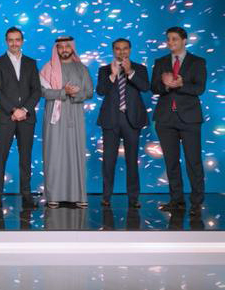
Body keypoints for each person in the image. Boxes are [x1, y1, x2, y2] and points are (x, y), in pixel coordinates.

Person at [151, 26, 207, 215]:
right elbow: (154, 87)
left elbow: (199, 88)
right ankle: (177, 201)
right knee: (171, 162)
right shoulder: (160, 62)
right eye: (168, 39)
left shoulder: (197, 62)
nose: (170, 42)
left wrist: (181, 84)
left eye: (174, 39)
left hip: (190, 119)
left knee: (193, 162)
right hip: (165, 119)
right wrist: (166, 86)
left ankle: (197, 202)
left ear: (184, 40)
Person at [0, 26, 41, 209]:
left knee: (25, 158)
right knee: (0, 157)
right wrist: (13, 110)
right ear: (6, 41)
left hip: (27, 117)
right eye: (11, 40)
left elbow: (37, 90)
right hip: (5, 118)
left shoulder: (31, 63)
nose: (14, 43)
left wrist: (24, 109)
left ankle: (26, 195)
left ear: (22, 41)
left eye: (17, 39)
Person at [39, 36, 93, 208]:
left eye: (67, 46)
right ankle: (53, 196)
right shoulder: (48, 68)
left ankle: (78, 196)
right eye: (60, 46)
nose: (64, 49)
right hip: (54, 118)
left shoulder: (82, 68)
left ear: (72, 48)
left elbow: (89, 92)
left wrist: (75, 94)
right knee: (54, 153)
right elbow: (42, 92)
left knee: (75, 153)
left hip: (75, 116)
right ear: (56, 49)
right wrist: (63, 92)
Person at [96, 38, 149, 208]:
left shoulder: (139, 68)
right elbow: (100, 91)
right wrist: (112, 75)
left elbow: (145, 87)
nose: (122, 52)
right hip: (110, 119)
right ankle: (106, 196)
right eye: (118, 49)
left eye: (125, 48)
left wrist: (130, 72)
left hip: (131, 120)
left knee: (132, 161)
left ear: (130, 50)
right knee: (108, 160)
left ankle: (133, 198)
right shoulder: (104, 70)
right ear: (113, 51)